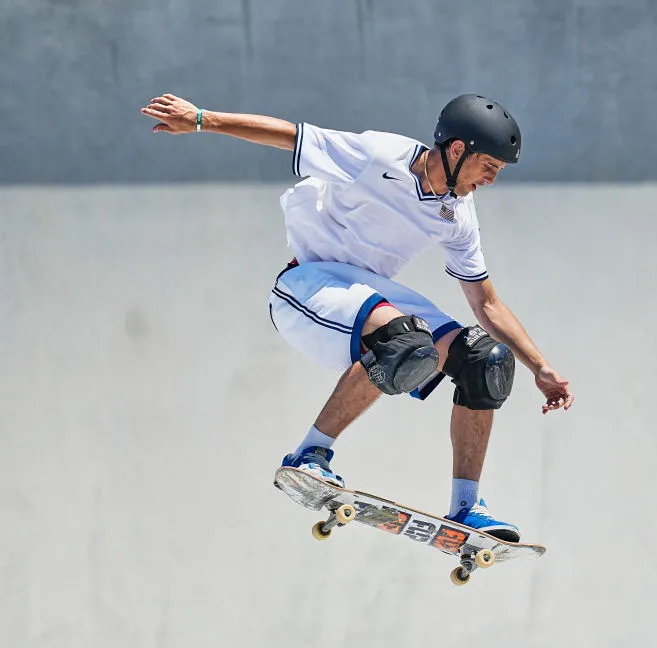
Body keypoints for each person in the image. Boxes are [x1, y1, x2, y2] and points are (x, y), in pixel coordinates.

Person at [141, 93, 574, 542]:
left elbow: (486, 303)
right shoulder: (378, 156)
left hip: (364, 294)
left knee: (485, 361)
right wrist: (199, 119)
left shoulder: (457, 217)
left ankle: (466, 507)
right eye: (489, 166)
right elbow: (289, 135)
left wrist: (540, 367)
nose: (491, 180)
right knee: (408, 342)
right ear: (458, 149)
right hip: (306, 286)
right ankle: (309, 455)